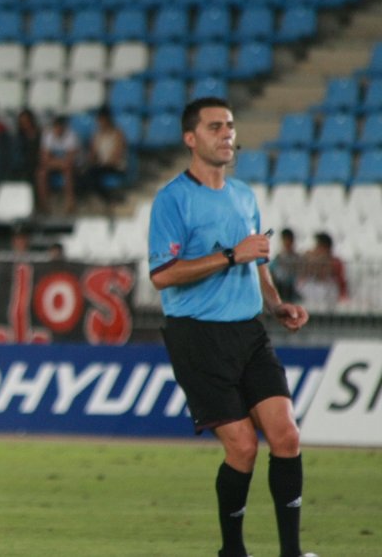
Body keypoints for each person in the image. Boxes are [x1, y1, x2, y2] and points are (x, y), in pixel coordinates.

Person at [148, 96, 314, 557]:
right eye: (215, 126)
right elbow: (161, 275)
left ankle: (291, 552)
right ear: (191, 138)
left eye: (230, 126)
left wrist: (277, 303)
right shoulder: (172, 199)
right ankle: (233, 550)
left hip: (249, 332)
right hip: (197, 336)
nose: (227, 134)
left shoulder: (244, 196)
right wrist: (228, 255)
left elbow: (256, 261)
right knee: (242, 447)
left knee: (287, 436)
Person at [34, 115, 80, 214]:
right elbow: (44, 158)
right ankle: (44, 204)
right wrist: (59, 162)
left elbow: (70, 159)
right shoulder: (48, 136)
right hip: (57, 165)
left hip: (69, 166)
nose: (58, 130)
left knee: (68, 172)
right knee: (41, 173)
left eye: (60, 127)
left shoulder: (71, 136)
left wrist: (54, 160)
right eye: (56, 127)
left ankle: (70, 202)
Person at [84, 107, 128, 205]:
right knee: (87, 173)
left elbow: (118, 154)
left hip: (115, 165)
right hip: (102, 165)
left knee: (93, 173)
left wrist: (104, 162)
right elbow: (93, 153)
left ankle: (108, 199)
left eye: (102, 120)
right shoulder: (97, 135)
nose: (100, 123)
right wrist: (92, 159)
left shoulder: (117, 134)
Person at [295, 232, 348, 311]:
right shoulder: (310, 258)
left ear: (325, 247)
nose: (315, 248)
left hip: (328, 291)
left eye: (318, 246)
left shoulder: (335, 261)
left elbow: (339, 280)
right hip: (313, 288)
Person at [269, 228, 301, 302]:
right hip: (280, 287)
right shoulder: (278, 258)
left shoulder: (297, 258)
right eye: (285, 240)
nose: (287, 243)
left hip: (292, 288)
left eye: (289, 240)